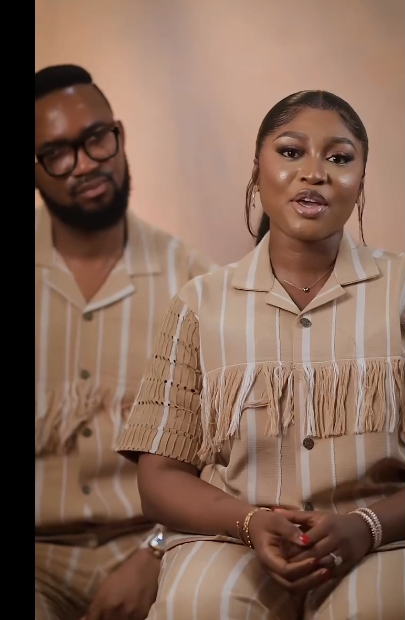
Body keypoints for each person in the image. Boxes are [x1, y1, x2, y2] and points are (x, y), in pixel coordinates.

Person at [117, 90, 405, 619]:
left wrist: (367, 527)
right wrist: (249, 522)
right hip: (231, 540)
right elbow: (159, 478)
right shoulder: (198, 304)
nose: (314, 173)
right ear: (257, 170)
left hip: (385, 539)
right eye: (291, 151)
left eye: (339, 158)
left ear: (361, 179)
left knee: (382, 606)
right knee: (199, 604)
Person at [35, 64, 217, 620]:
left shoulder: (192, 282)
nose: (85, 164)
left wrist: (157, 550)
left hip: (157, 546)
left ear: (119, 135)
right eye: (57, 153)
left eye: (97, 138)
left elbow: (229, 457)